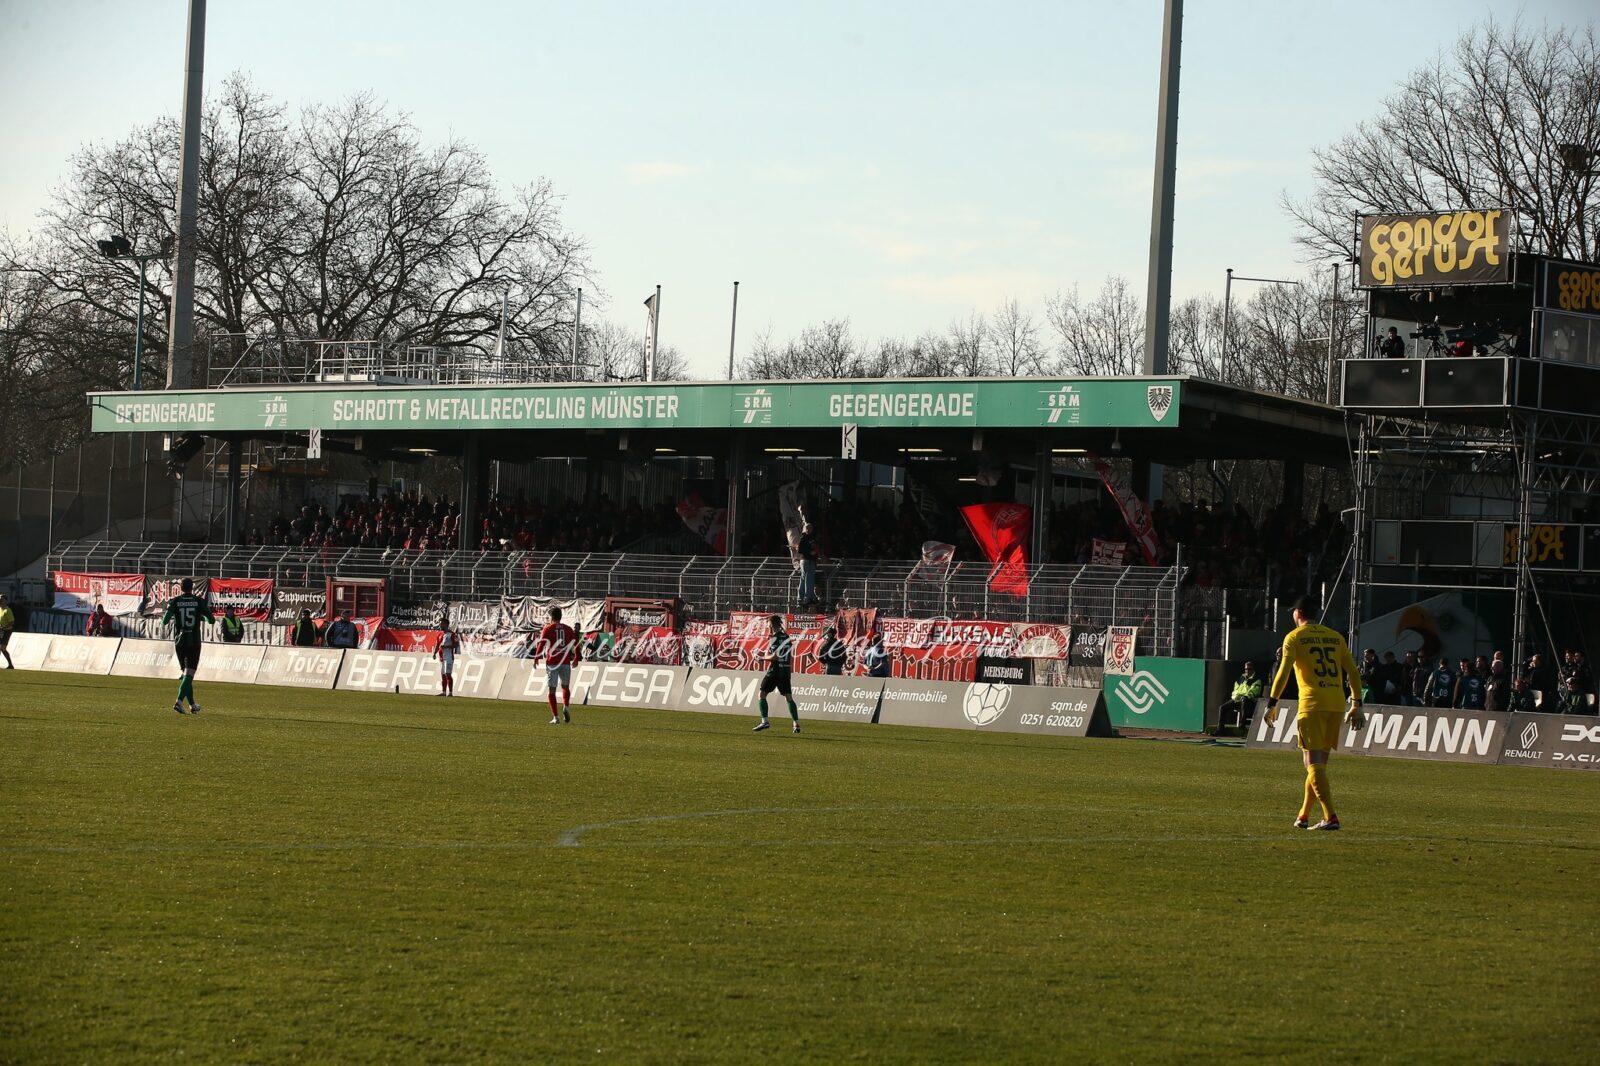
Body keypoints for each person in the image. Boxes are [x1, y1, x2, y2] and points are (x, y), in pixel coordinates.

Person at [1264, 594, 1364, 832]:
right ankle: (1304, 815)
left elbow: (1283, 672)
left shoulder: (1294, 637)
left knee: (1312, 765)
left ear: (1298, 614)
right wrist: (1357, 704)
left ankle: (1331, 817)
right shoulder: (1335, 637)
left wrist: (1272, 702)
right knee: (1318, 766)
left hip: (1312, 704)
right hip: (1336, 704)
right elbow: (1353, 672)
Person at [161, 577, 214, 714]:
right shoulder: (198, 601)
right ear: (193, 588)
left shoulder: (175, 602)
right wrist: (200, 617)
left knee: (186, 674)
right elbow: (212, 620)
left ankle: (192, 705)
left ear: (181, 588)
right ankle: (178, 702)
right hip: (193, 643)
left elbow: (165, 621)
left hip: (179, 642)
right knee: (189, 674)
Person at [753, 614, 800, 733]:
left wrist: (762, 658)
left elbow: (775, 656)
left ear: (771, 624)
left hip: (775, 671)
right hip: (785, 671)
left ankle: (765, 722)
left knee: (761, 695)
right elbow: (788, 656)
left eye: (768, 624)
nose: (767, 626)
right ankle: (796, 724)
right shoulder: (787, 637)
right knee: (789, 697)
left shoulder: (775, 638)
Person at [538, 606, 580, 723]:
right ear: (560, 617)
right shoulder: (568, 629)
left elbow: (541, 644)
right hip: (565, 662)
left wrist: (536, 657)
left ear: (551, 617)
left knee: (552, 690)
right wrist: (576, 657)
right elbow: (576, 643)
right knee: (565, 686)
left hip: (552, 663)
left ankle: (556, 717)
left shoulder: (548, 628)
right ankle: (566, 706)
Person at [1219, 660, 1263, 729]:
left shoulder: (1257, 680)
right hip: (1237, 700)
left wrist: (1242, 696)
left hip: (1249, 702)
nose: (1247, 671)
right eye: (1246, 669)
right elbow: (1235, 691)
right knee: (1222, 707)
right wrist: (1236, 697)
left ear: (1253, 669)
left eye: (1249, 669)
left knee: (1244, 700)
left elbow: (1253, 693)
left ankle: (1242, 726)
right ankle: (1220, 729)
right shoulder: (1240, 678)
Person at [796, 524, 820, 607]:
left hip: (808, 560)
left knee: (803, 580)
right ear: (804, 529)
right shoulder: (804, 538)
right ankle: (807, 599)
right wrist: (809, 553)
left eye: (810, 528)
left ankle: (801, 599)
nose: (809, 530)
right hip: (807, 560)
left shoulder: (811, 538)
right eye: (807, 528)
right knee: (808, 580)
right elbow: (799, 549)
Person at [436, 619, 460, 697]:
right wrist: (434, 653)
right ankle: (443, 692)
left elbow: (456, 645)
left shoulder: (452, 634)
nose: (440, 625)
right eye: (440, 624)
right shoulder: (439, 634)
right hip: (441, 657)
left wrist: (447, 646)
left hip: (449, 657)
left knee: (448, 674)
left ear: (446, 624)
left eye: (442, 624)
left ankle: (450, 692)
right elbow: (437, 645)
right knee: (443, 675)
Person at [0, 594, 14, 669]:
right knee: (2, 648)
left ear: (5, 600)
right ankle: (10, 665)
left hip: (6, 631)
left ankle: (10, 664)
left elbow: (11, 623)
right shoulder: (0, 609)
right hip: (1, 630)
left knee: (2, 648)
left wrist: (4, 627)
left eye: (1, 599)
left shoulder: (7, 610)